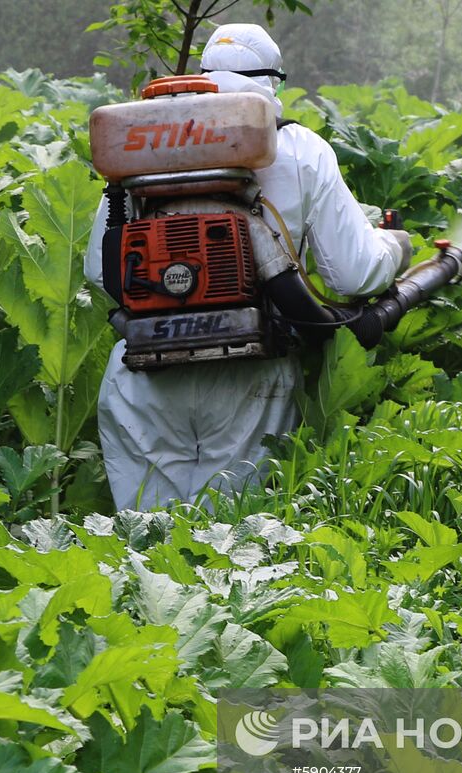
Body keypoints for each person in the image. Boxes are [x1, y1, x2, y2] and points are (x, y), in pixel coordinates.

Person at [84, 22, 411, 511]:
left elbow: (99, 270)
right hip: (251, 370)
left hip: (143, 369)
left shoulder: (145, 137)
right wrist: (395, 246)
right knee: (230, 539)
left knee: (144, 537)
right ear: (273, 81)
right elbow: (354, 274)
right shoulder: (299, 150)